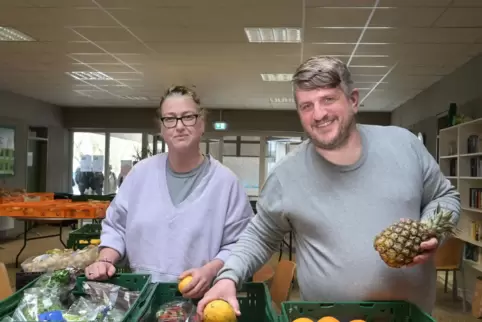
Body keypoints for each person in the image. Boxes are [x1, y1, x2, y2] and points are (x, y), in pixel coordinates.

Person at [198, 56, 460, 316]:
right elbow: (259, 236)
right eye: (306, 106)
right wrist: (227, 277)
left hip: (411, 317)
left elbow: (444, 196)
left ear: (353, 100)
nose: (319, 114)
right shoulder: (286, 175)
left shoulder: (405, 145)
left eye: (328, 99)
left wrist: (428, 232)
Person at [85, 85, 253, 299]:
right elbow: (116, 228)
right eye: (170, 119)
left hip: (199, 300)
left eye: (188, 117)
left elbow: (240, 244)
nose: (179, 126)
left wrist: (210, 271)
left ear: (201, 124)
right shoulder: (140, 174)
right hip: (140, 296)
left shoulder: (225, 182)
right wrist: (105, 260)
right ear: (162, 129)